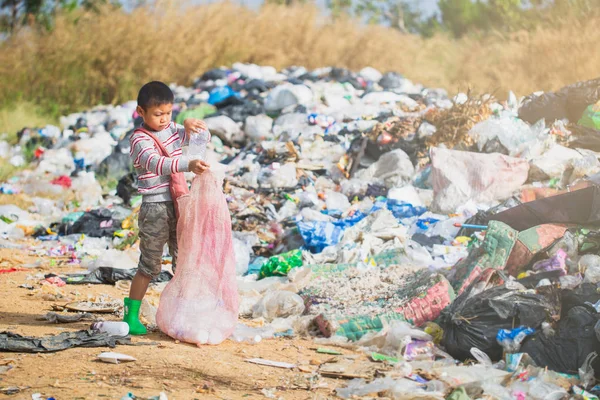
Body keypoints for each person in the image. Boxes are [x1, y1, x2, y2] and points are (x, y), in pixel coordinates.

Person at [123, 81, 210, 335]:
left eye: (168, 113)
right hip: (155, 208)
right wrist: (187, 164)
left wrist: (194, 126)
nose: (163, 120)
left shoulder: (173, 128)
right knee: (149, 264)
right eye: (157, 114)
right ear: (141, 112)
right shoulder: (139, 139)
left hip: (178, 202)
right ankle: (131, 315)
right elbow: (156, 163)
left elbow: (200, 139)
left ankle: (183, 314)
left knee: (183, 259)